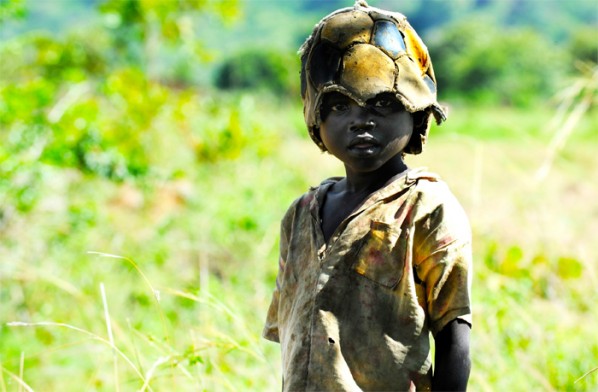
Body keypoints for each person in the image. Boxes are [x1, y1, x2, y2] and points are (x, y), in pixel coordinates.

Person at [263, 1, 472, 391]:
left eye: (383, 103)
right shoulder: (301, 215)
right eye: (340, 104)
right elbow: (294, 343)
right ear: (316, 117)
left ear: (416, 112)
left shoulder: (426, 208)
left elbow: (454, 337)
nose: (361, 120)